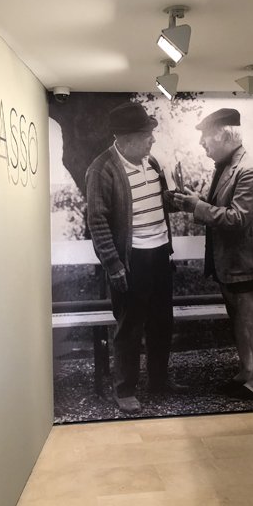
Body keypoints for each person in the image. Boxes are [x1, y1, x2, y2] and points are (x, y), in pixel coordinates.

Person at [85, 101, 184, 414]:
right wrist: (114, 265)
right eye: (146, 135)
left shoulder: (150, 162)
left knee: (161, 322)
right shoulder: (102, 169)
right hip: (131, 261)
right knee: (129, 327)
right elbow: (97, 221)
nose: (152, 140)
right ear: (126, 140)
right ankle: (124, 390)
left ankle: (158, 381)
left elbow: (157, 202)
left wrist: (174, 199)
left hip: (159, 254)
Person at [172, 108, 253, 398]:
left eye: (205, 137)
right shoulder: (226, 166)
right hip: (229, 262)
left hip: (247, 262)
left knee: (252, 319)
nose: (201, 143)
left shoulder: (250, 171)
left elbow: (237, 218)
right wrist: (196, 200)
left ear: (225, 136)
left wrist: (197, 206)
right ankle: (246, 371)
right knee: (239, 318)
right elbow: (223, 208)